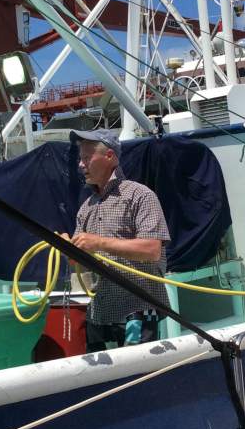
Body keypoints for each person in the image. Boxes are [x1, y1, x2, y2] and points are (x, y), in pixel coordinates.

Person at [68, 129, 172, 352]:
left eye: (86, 158)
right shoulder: (85, 208)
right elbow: (79, 264)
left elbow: (152, 250)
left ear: (109, 157)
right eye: (80, 158)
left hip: (139, 308)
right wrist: (68, 250)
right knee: (101, 372)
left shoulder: (140, 195)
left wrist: (98, 243)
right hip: (100, 313)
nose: (81, 164)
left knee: (139, 369)